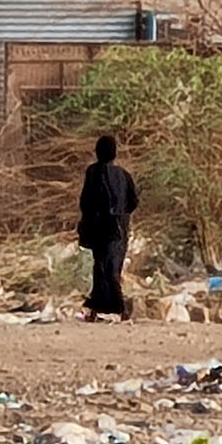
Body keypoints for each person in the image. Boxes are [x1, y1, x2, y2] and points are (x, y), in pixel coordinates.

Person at [77, 135, 138, 318]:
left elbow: (85, 201)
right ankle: (116, 309)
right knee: (113, 268)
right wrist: (122, 215)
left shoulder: (93, 172)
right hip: (119, 228)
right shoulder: (124, 175)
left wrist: (89, 221)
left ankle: (108, 308)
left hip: (100, 228)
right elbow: (133, 201)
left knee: (101, 267)